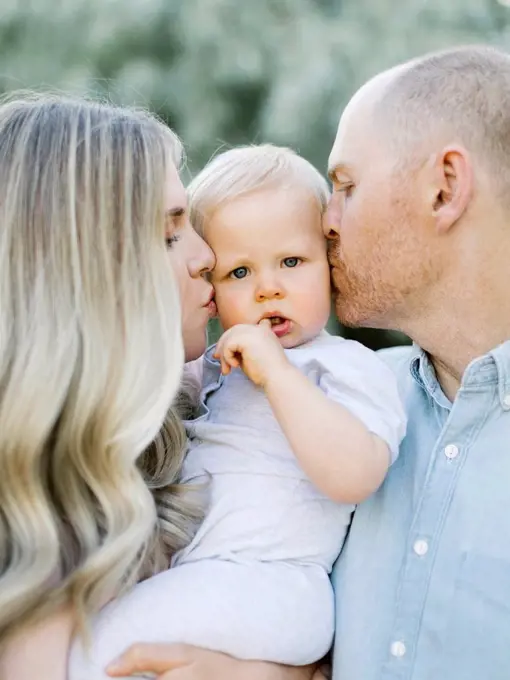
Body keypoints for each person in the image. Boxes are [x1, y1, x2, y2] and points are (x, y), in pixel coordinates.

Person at [109, 44, 510, 680]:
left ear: (445, 188)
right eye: (238, 269)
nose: (325, 221)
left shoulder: (344, 390)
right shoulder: (374, 392)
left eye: (346, 186)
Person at [68, 144, 406, 680]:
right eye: (240, 271)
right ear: (211, 287)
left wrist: (278, 376)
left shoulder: (345, 367)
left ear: (329, 263)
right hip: (207, 578)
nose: (269, 287)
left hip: (274, 584)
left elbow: (356, 474)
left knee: (94, 652)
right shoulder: (211, 368)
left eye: (292, 262)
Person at [0, 93, 214, 679]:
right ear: (88, 276)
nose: (207, 258)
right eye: (170, 235)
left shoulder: (203, 424)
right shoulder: (36, 543)